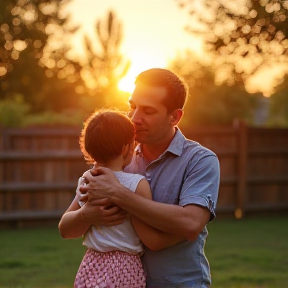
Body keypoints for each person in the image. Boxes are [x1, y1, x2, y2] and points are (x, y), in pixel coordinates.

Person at [61, 68, 220, 288]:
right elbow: (67, 227)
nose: (135, 118)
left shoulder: (200, 160)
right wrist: (88, 214)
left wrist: (118, 194)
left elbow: (191, 223)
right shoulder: (117, 160)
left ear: (175, 117)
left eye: (148, 111)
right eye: (132, 106)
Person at [58, 109, 184, 288]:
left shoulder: (88, 180)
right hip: (124, 267)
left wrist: (85, 214)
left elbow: (65, 229)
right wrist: (184, 235)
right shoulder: (136, 184)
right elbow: (152, 240)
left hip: (91, 264)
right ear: (127, 148)